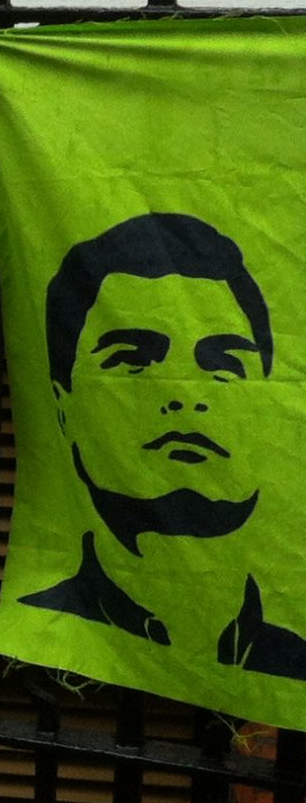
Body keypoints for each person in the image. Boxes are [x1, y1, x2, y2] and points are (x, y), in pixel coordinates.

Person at [19, 211, 304, 675]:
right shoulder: (38, 632)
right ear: (63, 406)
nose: (184, 396)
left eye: (225, 366)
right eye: (132, 361)